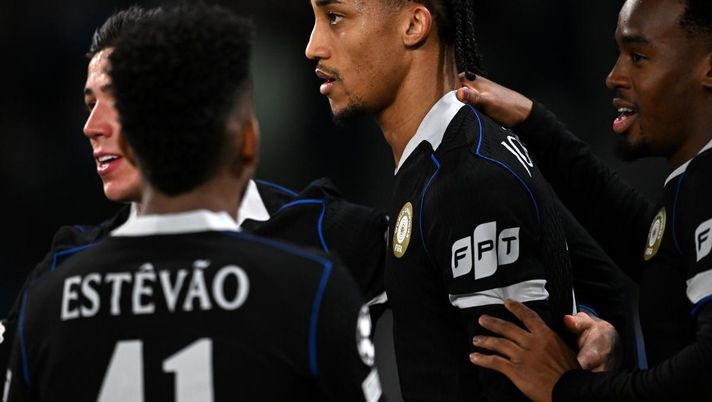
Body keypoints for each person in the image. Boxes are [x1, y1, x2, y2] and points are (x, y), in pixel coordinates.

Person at [3, 4, 385, 401]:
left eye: (117, 100)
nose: (92, 126)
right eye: (89, 104)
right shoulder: (63, 265)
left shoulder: (328, 231)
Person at [305, 0, 632, 400]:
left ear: (413, 25)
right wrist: (596, 324)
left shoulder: (468, 178)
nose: (313, 46)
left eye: (335, 17)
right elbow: (603, 282)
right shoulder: (450, 158)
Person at [459, 0, 712, 400]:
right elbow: (653, 251)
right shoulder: (691, 184)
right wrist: (533, 121)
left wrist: (568, 388)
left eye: (638, 56)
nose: (614, 76)